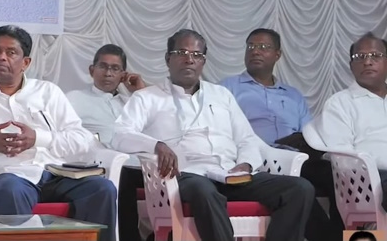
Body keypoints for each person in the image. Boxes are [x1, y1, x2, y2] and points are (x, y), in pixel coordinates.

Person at [111, 29, 315, 241]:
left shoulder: (221, 95)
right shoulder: (147, 98)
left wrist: (245, 164)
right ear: (168, 59)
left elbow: (246, 138)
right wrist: (157, 145)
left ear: (203, 62)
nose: (189, 59)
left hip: (230, 173)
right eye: (182, 53)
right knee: (204, 190)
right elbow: (120, 134)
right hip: (186, 176)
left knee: (299, 188)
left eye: (196, 55)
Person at [0, 25, 118, 241]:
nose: (1, 57)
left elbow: (82, 139)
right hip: (11, 176)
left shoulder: (47, 92)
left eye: (11, 52)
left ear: (26, 62)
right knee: (9, 190)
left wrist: (39, 138)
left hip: (55, 174)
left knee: (102, 188)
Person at [220, 28, 342, 241]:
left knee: (339, 177)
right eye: (251, 46)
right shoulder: (227, 89)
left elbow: (308, 133)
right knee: (300, 191)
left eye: (263, 47)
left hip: (296, 157)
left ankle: (343, 233)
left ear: (277, 54)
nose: (255, 51)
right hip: (258, 160)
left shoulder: (293, 95)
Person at [66, 44, 147, 241]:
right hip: (100, 165)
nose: (108, 73)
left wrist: (141, 93)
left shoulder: (132, 102)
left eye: (115, 68)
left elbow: (158, 130)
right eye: (103, 66)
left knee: (179, 178)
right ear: (91, 70)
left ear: (123, 75)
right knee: (122, 175)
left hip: (141, 166)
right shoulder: (74, 99)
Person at [311, 32, 387, 214]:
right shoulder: (340, 103)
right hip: (371, 179)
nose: (367, 62)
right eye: (360, 57)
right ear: (351, 66)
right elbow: (343, 158)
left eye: (375, 56)